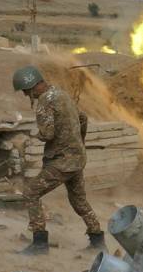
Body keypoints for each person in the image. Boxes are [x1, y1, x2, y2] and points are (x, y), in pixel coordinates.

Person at [12, 65, 106, 255]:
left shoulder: (45, 102)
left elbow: (48, 133)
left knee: (31, 192)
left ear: (32, 87)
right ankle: (98, 241)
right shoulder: (61, 94)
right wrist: (79, 141)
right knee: (79, 200)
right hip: (77, 158)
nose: (25, 95)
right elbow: (83, 118)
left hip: (62, 161)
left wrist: (35, 135)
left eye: (25, 91)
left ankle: (40, 244)